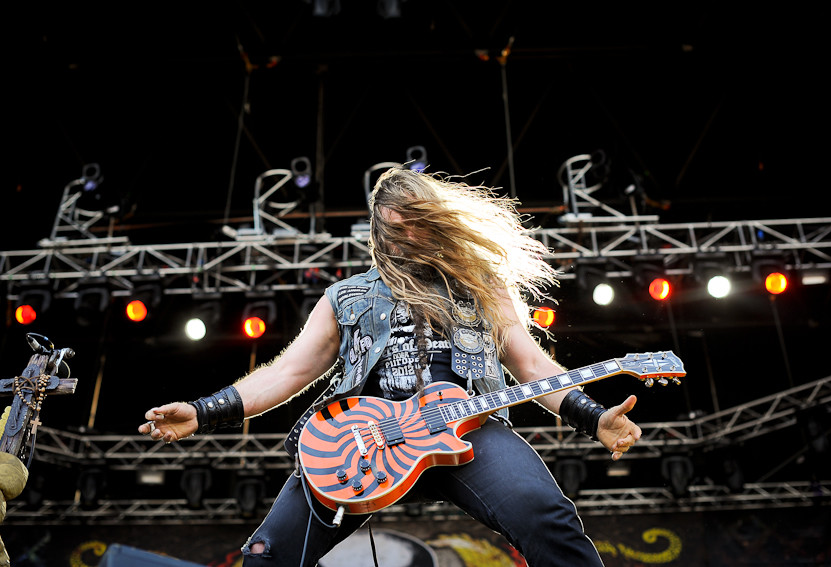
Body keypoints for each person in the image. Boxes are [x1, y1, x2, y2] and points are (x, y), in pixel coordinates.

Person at [139, 167, 642, 567]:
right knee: (267, 555)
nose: (410, 242)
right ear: (380, 234)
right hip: (361, 441)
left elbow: (531, 364)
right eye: (398, 232)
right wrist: (205, 411)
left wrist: (592, 417)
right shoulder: (347, 296)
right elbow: (286, 372)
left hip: (467, 430)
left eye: (421, 228)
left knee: (549, 519)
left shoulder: (481, 286)